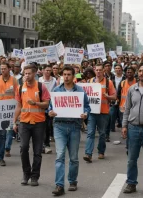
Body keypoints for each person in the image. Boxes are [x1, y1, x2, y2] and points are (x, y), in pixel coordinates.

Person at [48, 66, 90, 196]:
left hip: (74, 126)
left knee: (73, 157)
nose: (66, 77)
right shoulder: (56, 90)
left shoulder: (80, 91)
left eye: (69, 74)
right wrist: (50, 112)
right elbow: (50, 107)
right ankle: (59, 185)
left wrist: (85, 114)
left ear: (73, 76)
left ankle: (72, 181)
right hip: (59, 126)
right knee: (60, 155)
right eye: (64, 74)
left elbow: (87, 107)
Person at [13, 65, 50, 186]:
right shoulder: (20, 88)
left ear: (34, 74)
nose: (26, 75)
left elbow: (46, 104)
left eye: (29, 73)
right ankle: (26, 173)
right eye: (25, 73)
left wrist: (35, 103)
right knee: (23, 148)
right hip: (24, 122)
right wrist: (14, 121)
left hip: (39, 123)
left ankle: (35, 176)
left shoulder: (41, 87)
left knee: (37, 151)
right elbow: (19, 105)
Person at [121, 62, 143, 194]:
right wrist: (124, 125)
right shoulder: (132, 89)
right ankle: (131, 183)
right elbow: (127, 109)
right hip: (133, 128)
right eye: (141, 71)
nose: (142, 73)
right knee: (132, 158)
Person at [83, 64, 116, 163]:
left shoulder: (108, 82)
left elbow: (114, 97)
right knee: (90, 133)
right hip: (92, 113)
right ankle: (88, 154)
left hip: (103, 112)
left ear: (103, 71)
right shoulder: (90, 82)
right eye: (96, 70)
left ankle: (101, 151)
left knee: (102, 134)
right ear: (94, 70)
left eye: (100, 70)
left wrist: (108, 96)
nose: (98, 72)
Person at [0, 62, 18, 165]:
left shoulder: (14, 80)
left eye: (5, 68)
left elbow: (17, 93)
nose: (2, 70)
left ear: (9, 69)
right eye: (1, 68)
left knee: (3, 134)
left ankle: (1, 158)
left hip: (8, 112)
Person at [39, 65, 57, 154]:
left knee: (48, 126)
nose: (48, 72)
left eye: (49, 70)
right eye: (46, 70)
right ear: (43, 71)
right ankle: (42, 144)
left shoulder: (54, 80)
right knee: (41, 126)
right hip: (41, 105)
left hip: (50, 106)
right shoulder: (39, 80)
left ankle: (46, 143)